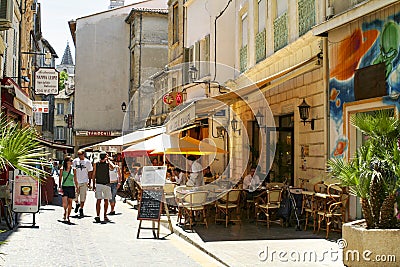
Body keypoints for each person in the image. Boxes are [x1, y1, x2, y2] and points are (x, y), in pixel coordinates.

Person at [92, 151, 113, 223]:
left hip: (105, 184)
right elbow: (94, 174)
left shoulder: (107, 164)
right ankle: (98, 215)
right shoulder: (96, 164)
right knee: (99, 200)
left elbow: (113, 167)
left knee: (105, 200)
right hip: (100, 184)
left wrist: (108, 160)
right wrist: (93, 184)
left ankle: (104, 215)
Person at [72, 149, 93, 217]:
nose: (79, 156)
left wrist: (90, 182)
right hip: (76, 181)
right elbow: (73, 171)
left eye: (80, 154)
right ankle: (77, 204)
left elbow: (90, 172)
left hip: (84, 181)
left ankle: (81, 208)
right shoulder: (75, 161)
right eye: (78, 154)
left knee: (83, 197)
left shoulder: (87, 162)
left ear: (83, 154)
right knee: (74, 196)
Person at [58, 156, 78, 223]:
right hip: (65, 187)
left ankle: (68, 216)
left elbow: (75, 178)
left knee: (70, 202)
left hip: (71, 187)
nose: (72, 162)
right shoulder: (62, 169)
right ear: (67, 162)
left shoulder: (74, 169)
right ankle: (65, 211)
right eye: (71, 161)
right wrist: (59, 186)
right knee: (65, 203)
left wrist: (77, 186)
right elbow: (60, 178)